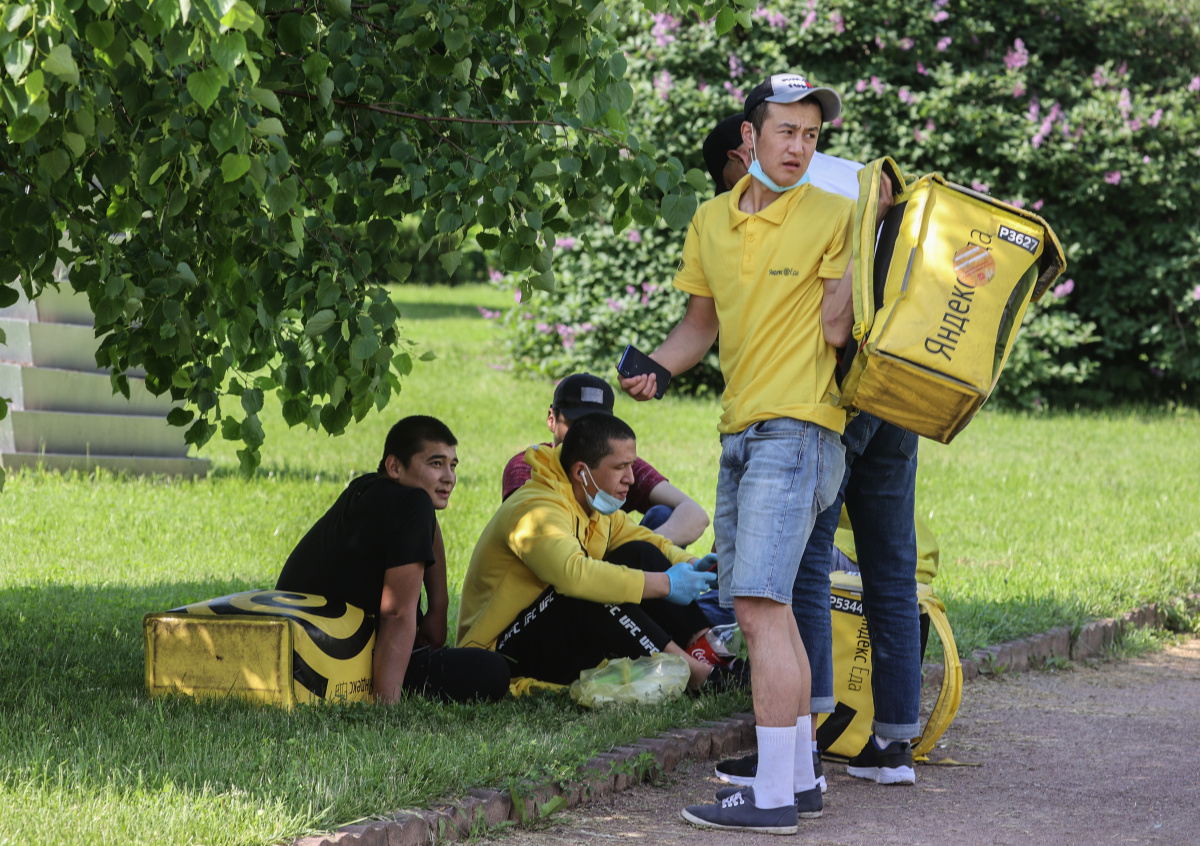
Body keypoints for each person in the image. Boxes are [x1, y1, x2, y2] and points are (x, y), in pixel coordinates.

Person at [622, 72, 892, 834]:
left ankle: (771, 796)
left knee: (761, 607)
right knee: (771, 610)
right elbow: (700, 324)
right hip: (740, 430)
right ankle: (797, 777)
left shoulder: (836, 214)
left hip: (801, 428)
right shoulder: (711, 220)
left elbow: (837, 329)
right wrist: (658, 368)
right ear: (751, 135)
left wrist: (867, 239)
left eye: (811, 135)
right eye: (786, 132)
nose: (799, 148)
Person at [703, 114, 924, 789]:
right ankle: (894, 744)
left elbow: (827, 321)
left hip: (834, 395)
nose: (735, 193)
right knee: (891, 565)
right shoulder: (850, 178)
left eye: (727, 176)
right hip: (894, 385)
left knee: (800, 570)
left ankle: (804, 745)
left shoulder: (803, 199)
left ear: (743, 150)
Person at [458, 412, 745, 693]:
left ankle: (709, 652)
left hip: (552, 635)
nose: (630, 478)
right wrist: (667, 584)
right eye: (620, 467)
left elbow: (650, 543)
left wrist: (693, 564)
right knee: (591, 589)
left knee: (639, 552)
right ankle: (696, 675)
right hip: (500, 653)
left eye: (632, 466)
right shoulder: (537, 509)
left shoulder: (592, 504)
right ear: (581, 472)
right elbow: (574, 576)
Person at [275, 415, 510, 704]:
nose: (449, 477)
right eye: (436, 464)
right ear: (395, 466)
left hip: (290, 637)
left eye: (452, 465)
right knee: (493, 670)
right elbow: (396, 613)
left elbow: (427, 523)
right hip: (333, 657)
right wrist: (387, 704)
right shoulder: (414, 504)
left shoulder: (367, 487)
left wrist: (439, 605)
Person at [501, 373, 710, 548]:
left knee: (663, 514)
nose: (584, 436)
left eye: (596, 426)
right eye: (575, 424)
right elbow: (531, 534)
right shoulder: (528, 465)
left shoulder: (622, 466)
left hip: (613, 563)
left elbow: (695, 514)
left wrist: (644, 549)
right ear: (551, 419)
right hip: (556, 565)